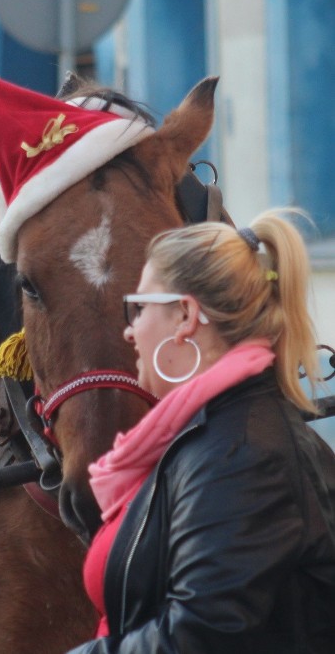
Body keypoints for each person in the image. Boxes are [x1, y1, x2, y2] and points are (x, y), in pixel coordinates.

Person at [67, 210, 335, 653]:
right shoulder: (217, 433)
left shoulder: (242, 453)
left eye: (138, 308)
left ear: (186, 316)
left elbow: (199, 636)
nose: (130, 331)